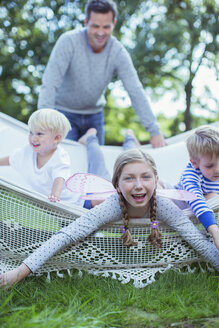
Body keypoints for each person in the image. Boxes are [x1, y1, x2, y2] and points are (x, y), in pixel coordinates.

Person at [1, 148, 219, 288]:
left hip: (166, 190)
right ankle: (93, 142)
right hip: (95, 193)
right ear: (117, 185)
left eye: (146, 177)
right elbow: (67, 235)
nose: (138, 185)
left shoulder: (162, 204)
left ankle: (131, 139)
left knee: (135, 156)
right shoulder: (112, 204)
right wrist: (21, 271)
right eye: (129, 178)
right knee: (96, 164)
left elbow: (197, 240)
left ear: (155, 179)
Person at [37, 0, 166, 148]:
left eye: (106, 27)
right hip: (64, 114)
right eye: (95, 26)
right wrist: (43, 126)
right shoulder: (68, 42)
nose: (100, 32)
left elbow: (135, 90)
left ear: (114, 24)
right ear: (86, 22)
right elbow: (50, 83)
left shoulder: (117, 51)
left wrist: (154, 131)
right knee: (64, 161)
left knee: (96, 164)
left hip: (94, 116)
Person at [0, 108, 80, 204]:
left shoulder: (60, 157)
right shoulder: (27, 152)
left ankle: (89, 138)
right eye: (31, 132)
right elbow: (10, 159)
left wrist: (54, 195)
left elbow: (59, 178)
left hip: (77, 200)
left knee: (98, 202)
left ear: (56, 138)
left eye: (39, 134)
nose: (33, 138)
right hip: (58, 208)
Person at [174, 126, 219, 249]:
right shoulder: (190, 175)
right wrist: (215, 231)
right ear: (195, 163)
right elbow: (196, 199)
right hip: (177, 202)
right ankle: (131, 138)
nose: (217, 169)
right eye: (210, 166)